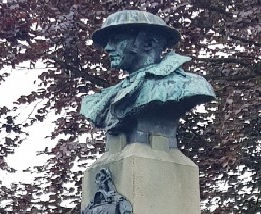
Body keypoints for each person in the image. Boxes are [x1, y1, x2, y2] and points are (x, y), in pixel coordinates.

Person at [80, 10, 216, 146]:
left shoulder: (188, 84)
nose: (108, 48)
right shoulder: (100, 99)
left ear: (148, 44)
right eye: (107, 42)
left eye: (116, 40)